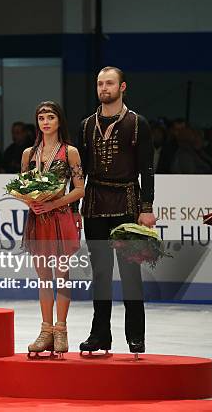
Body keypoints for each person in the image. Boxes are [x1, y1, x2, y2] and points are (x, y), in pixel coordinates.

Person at [77, 66, 155, 357]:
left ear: (123, 87)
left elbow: (147, 168)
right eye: (100, 83)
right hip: (95, 204)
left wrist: (146, 208)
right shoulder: (86, 125)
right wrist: (74, 209)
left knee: (131, 274)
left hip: (128, 203)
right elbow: (79, 172)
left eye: (110, 83)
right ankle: (100, 335)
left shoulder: (137, 123)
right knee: (100, 274)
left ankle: (136, 335)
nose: (104, 88)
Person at [21, 101, 84, 358]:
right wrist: (31, 202)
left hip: (60, 217)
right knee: (44, 276)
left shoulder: (70, 152)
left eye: (50, 117)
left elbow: (79, 189)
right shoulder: (29, 153)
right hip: (37, 219)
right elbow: (22, 186)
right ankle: (45, 330)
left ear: (59, 121)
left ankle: (61, 329)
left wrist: (54, 204)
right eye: (41, 118)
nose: (45, 122)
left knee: (61, 273)